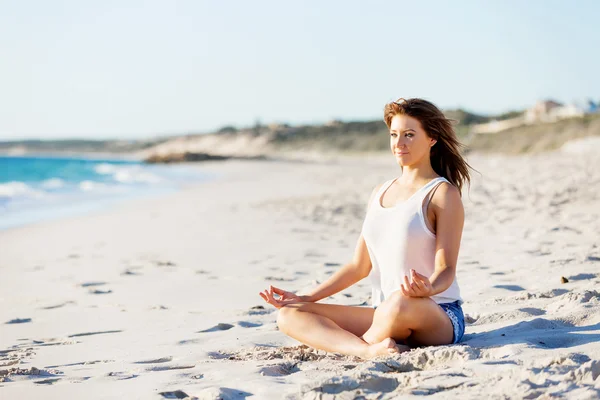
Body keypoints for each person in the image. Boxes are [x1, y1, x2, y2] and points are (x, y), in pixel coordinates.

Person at [259, 98, 472, 359]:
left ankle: (364, 343)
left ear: (432, 139)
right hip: (384, 312)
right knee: (290, 314)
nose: (399, 143)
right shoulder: (379, 192)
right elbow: (359, 266)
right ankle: (366, 350)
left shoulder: (442, 194)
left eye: (409, 134)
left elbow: (446, 269)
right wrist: (306, 297)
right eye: (394, 134)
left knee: (399, 302)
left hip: (438, 314)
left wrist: (427, 288)